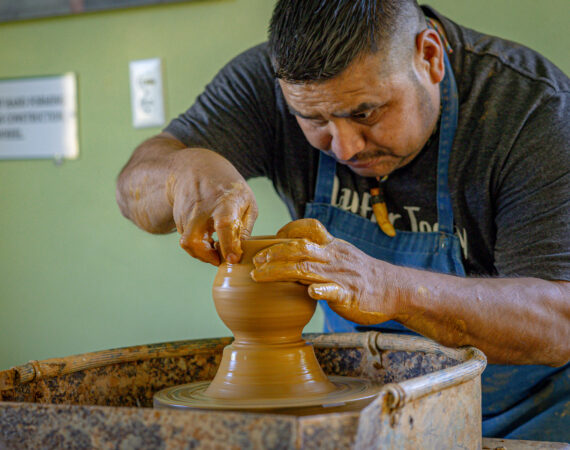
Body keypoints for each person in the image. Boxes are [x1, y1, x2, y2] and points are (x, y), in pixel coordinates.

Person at [116, 0, 570, 441]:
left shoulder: (532, 110)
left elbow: (560, 321)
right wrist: (183, 174)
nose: (346, 147)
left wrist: (390, 288)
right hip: (369, 415)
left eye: (365, 113)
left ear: (429, 57)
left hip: (530, 420)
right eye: (313, 120)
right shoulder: (269, 82)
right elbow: (132, 186)